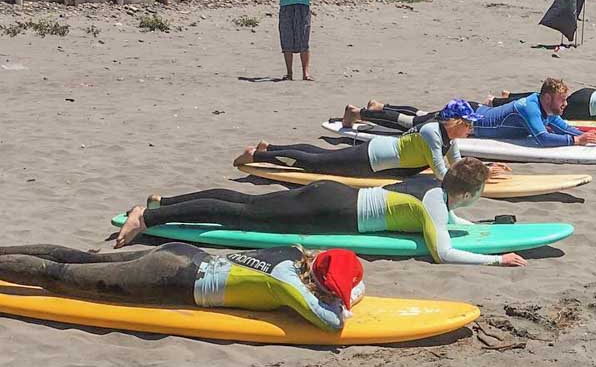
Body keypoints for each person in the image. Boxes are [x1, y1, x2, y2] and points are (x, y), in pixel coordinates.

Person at [115, 158, 528, 268]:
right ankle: (148, 220)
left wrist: (478, 227)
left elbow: (452, 221)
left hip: (333, 197)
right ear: (470, 192)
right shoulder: (436, 202)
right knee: (239, 214)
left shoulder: (433, 188)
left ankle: (161, 206)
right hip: (328, 210)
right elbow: (443, 252)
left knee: (241, 205)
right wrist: (496, 259)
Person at [0, 243, 365, 333]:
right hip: (171, 281)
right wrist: (341, 306)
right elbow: (331, 324)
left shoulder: (293, 255)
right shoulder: (286, 283)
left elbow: (349, 286)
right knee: (58, 278)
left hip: (182, 255)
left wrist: (348, 290)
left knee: (76, 259)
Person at [234, 99, 511, 181]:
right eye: (469, 125)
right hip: (371, 159)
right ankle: (257, 156)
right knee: (316, 163)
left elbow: (457, 163)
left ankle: (270, 148)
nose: (471, 130)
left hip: (377, 156)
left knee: (320, 155)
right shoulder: (432, 134)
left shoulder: (448, 137)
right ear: (457, 123)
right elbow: (442, 172)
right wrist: (479, 177)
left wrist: (485, 167)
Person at [471, 78, 596, 147]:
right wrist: (576, 140)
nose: (565, 104)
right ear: (548, 98)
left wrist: (586, 134)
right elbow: (542, 138)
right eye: (562, 100)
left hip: (480, 110)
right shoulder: (529, 108)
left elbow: (563, 128)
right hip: (470, 118)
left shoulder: (546, 107)